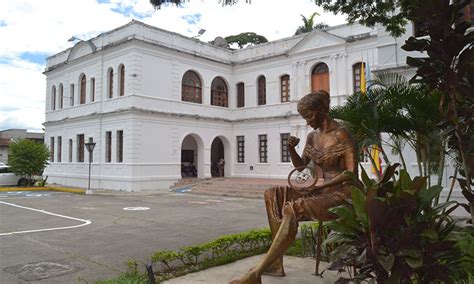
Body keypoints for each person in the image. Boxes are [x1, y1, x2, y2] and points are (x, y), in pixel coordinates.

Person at [230, 90, 358, 284]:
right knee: (273, 194)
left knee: (293, 209)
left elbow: (351, 173)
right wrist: (291, 149)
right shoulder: (312, 137)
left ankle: (256, 273)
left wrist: (316, 188)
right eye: (304, 117)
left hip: (343, 194)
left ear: (322, 110)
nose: (307, 121)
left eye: (309, 116)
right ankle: (275, 264)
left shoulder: (342, 134)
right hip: (320, 190)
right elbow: (301, 168)